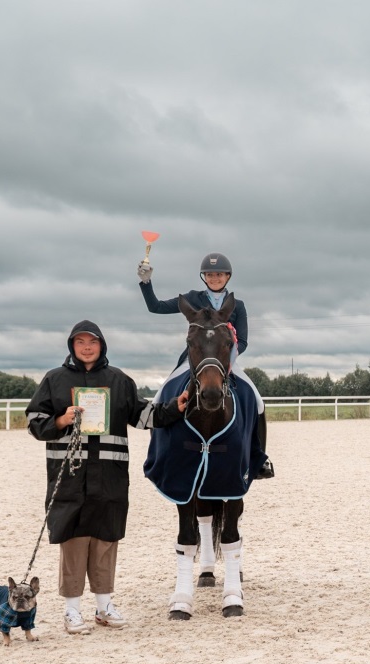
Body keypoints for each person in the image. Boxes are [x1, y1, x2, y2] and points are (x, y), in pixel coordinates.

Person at [26, 321, 188, 634]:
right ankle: (72, 611)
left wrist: (175, 408)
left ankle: (104, 606)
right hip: (69, 477)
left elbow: (144, 415)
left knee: (104, 541)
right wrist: (61, 419)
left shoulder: (119, 380)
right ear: (72, 345)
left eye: (92, 342)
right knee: (73, 542)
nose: (86, 347)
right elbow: (35, 421)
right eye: (80, 342)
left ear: (102, 345)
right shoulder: (54, 380)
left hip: (110, 478)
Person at [137, 252, 273, 478]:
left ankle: (259, 458)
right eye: (210, 274)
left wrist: (228, 360)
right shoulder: (192, 298)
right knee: (161, 395)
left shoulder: (237, 305)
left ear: (227, 276)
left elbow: (245, 341)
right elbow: (156, 307)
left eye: (219, 274)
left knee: (256, 400)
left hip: (227, 360)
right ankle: (158, 451)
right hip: (195, 360)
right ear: (204, 277)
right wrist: (145, 282)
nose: (214, 278)